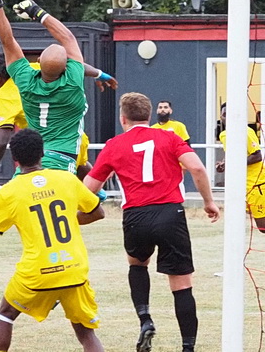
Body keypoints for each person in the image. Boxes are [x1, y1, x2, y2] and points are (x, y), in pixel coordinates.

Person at [83, 92, 220, 352]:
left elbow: (89, 187)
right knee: (181, 282)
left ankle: (145, 319)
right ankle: (188, 347)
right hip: (170, 213)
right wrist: (208, 202)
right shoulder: (169, 136)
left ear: (123, 119)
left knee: (137, 264)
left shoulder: (114, 144)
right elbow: (198, 168)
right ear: (149, 116)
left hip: (136, 215)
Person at [0, 128, 105, 352]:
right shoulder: (66, 179)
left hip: (38, 271)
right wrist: (69, 219)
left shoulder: (9, 193)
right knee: (85, 333)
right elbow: (98, 212)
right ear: (42, 153)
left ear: (14, 159)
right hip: (74, 266)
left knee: (6, 314)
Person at [0, 0, 89, 174]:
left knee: (15, 199)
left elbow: (7, 41)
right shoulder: (73, 82)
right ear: (67, 66)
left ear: (39, 61)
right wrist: (38, 12)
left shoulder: (25, 81)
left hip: (34, 161)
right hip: (63, 161)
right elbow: (68, 38)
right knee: (75, 197)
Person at [216, 102, 265, 232]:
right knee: (237, 220)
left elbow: (257, 156)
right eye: (224, 114)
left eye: (229, 114)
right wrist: (224, 164)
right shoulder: (224, 135)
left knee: (263, 227)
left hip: (256, 184)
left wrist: (234, 163)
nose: (227, 117)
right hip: (240, 186)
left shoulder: (247, 131)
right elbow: (233, 154)